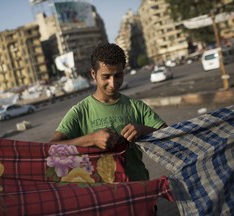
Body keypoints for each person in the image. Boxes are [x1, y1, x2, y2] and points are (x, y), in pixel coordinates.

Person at [49, 43, 167, 181]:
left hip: (139, 190)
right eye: (106, 76)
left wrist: (143, 130)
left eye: (118, 76)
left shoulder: (136, 107)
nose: (113, 83)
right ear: (93, 73)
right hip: (102, 196)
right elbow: (51, 148)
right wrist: (91, 139)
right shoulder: (80, 112)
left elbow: (169, 135)